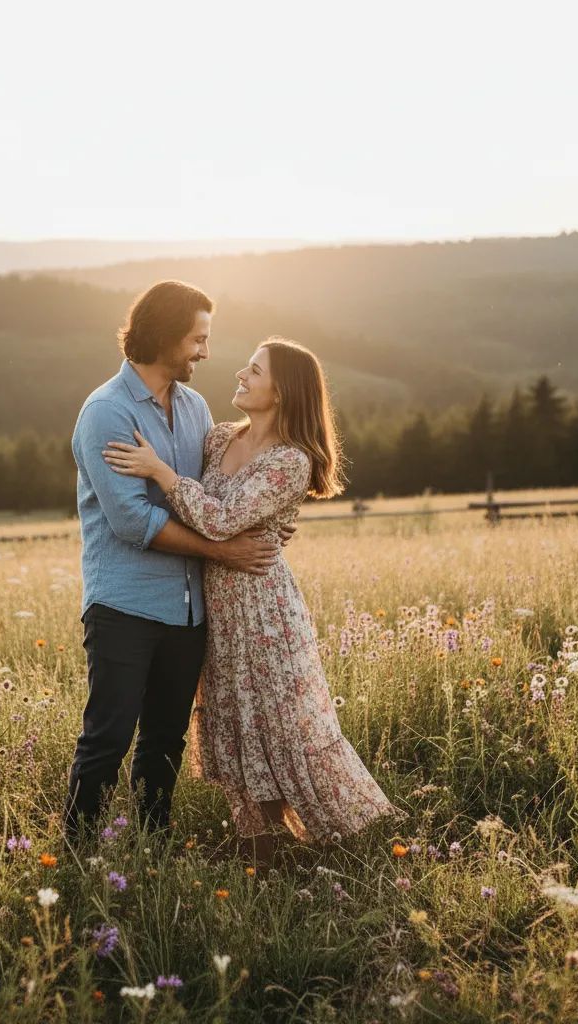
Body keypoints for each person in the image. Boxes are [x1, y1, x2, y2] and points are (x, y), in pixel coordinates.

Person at [103, 337, 405, 863]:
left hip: (264, 606)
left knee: (283, 721)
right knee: (234, 718)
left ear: (282, 392)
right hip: (213, 605)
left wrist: (159, 471)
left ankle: (356, 840)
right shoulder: (219, 439)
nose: (240, 374)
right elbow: (204, 507)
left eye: (255, 370)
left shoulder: (292, 461)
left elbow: (218, 518)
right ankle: (258, 850)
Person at [64, 281, 295, 840]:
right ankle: (75, 851)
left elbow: (218, 490)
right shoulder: (106, 413)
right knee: (109, 736)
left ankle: (151, 846)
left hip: (190, 611)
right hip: (125, 604)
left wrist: (273, 513)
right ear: (165, 336)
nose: (205, 352)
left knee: (166, 738)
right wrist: (224, 551)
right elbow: (132, 521)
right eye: (197, 339)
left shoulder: (195, 410)